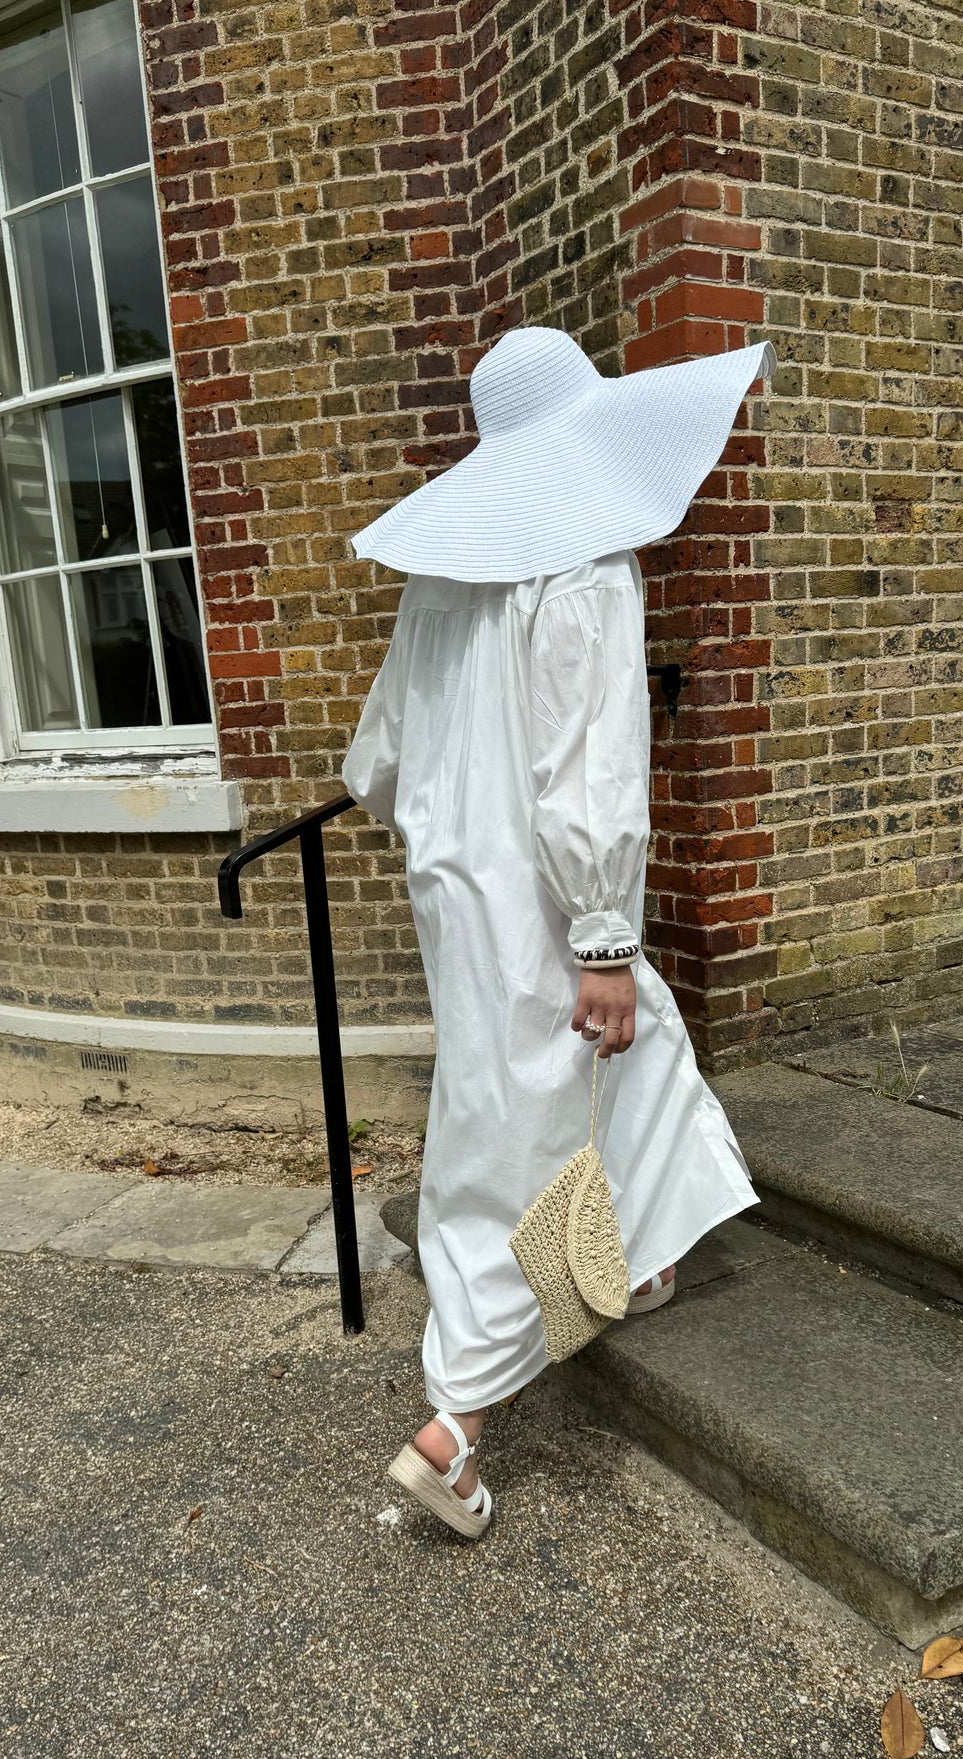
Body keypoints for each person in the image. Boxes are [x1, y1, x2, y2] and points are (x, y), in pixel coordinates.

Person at [342, 326, 772, 1539]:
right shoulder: (579, 562)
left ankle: (627, 1264)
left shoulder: (446, 577)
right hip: (535, 894)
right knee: (526, 1119)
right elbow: (588, 772)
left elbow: (376, 758)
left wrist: (446, 814)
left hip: (457, 889)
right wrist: (598, 937)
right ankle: (455, 1428)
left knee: (579, 1077)